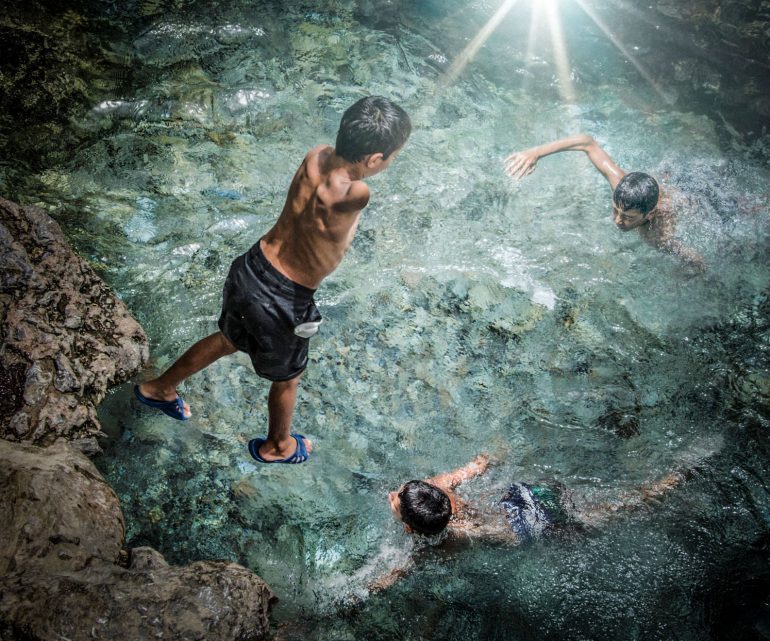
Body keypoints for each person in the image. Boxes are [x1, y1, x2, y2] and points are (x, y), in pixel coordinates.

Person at [134, 96, 411, 464]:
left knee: (229, 339)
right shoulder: (356, 193)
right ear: (375, 159)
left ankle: (158, 388)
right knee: (288, 378)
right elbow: (342, 213)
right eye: (391, 157)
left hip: (251, 266)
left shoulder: (316, 154)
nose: (390, 163)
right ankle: (278, 446)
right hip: (284, 299)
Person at [371, 453, 686, 591]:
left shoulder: (443, 544)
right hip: (523, 492)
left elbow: (399, 571)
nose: (390, 494)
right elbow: (480, 464)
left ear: (409, 529)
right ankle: (663, 484)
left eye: (395, 498)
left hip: (525, 526)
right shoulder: (438, 487)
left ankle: (661, 490)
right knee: (599, 506)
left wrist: (367, 590)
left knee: (603, 517)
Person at [505, 134, 705, 270]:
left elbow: (697, 261)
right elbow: (586, 142)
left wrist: (687, 273)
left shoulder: (657, 235)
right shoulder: (619, 183)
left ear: (648, 215)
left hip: (694, 192)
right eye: (615, 210)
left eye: (628, 217)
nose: (618, 220)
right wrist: (535, 153)